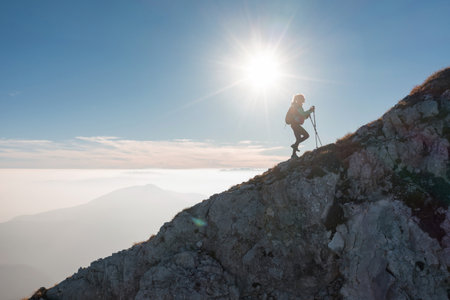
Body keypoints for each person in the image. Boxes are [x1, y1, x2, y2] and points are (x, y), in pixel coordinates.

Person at [288, 94, 314, 158]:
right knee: (306, 135)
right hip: (295, 125)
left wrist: (307, 115)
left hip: (293, 125)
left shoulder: (295, 105)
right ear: (300, 99)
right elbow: (303, 114)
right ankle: (294, 146)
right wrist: (310, 111)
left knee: (298, 139)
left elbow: (301, 116)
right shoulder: (298, 106)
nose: (303, 101)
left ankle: (293, 155)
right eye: (302, 99)